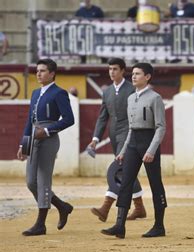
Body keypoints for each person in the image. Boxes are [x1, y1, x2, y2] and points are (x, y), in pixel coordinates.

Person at [101, 62, 167, 239]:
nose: (134, 76)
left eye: (138, 74)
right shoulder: (131, 98)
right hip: (132, 144)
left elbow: (160, 127)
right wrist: (123, 150)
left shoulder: (155, 98)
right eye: (133, 73)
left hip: (148, 141)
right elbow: (131, 128)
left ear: (147, 77)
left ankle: (159, 225)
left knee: (155, 183)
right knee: (126, 182)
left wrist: (152, 150)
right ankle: (120, 225)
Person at [16, 59, 75, 236]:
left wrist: (48, 130)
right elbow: (30, 121)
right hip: (34, 137)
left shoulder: (59, 93)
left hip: (48, 139)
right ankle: (62, 206)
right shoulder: (35, 93)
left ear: (52, 73)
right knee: (31, 182)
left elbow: (69, 119)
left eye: (42, 71)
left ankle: (40, 224)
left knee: (43, 180)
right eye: (37, 71)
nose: (38, 74)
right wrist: (23, 144)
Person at [88, 58, 147, 223]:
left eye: (115, 69)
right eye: (110, 69)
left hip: (128, 134)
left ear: (122, 71)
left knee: (118, 170)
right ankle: (140, 207)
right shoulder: (106, 92)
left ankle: (105, 207)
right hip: (114, 135)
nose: (111, 72)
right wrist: (95, 139)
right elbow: (102, 117)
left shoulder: (131, 89)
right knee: (126, 171)